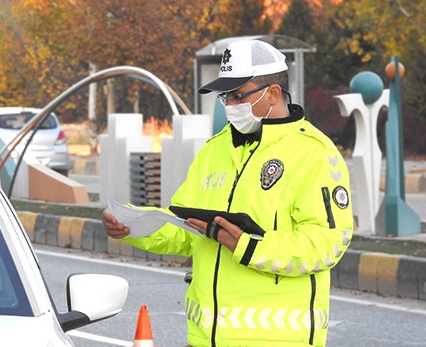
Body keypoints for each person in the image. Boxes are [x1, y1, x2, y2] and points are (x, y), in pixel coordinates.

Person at [103, 39, 353, 347]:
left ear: (272, 93)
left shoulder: (314, 153)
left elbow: (327, 244)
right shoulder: (215, 149)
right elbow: (185, 228)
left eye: (237, 95)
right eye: (225, 96)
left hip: (277, 340)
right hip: (205, 339)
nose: (229, 105)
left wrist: (247, 246)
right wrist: (133, 226)